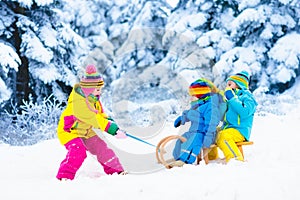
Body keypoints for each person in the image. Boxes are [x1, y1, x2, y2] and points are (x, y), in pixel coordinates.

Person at [56, 64, 127, 181]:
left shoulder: (94, 100)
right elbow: (92, 118)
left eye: (100, 89)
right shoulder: (78, 101)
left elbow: (101, 115)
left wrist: (114, 126)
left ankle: (117, 171)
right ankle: (64, 177)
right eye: (98, 89)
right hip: (70, 131)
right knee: (78, 151)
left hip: (87, 131)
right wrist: (110, 128)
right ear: (88, 88)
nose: (100, 92)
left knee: (102, 148)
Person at [171, 78, 225, 166]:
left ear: (201, 96)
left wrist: (208, 137)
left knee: (194, 140)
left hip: (206, 134)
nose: (190, 98)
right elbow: (189, 113)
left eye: (192, 95)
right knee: (181, 139)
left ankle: (185, 160)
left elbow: (211, 123)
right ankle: (177, 157)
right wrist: (182, 118)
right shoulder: (196, 106)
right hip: (193, 132)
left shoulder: (210, 107)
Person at [216, 70, 257, 163]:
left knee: (224, 136)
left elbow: (245, 112)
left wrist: (232, 99)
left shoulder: (248, 98)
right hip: (227, 128)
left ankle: (236, 159)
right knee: (210, 132)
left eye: (230, 84)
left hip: (240, 130)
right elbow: (222, 116)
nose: (227, 87)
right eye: (227, 85)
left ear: (239, 84)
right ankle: (212, 157)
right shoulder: (230, 99)